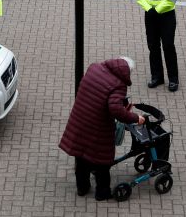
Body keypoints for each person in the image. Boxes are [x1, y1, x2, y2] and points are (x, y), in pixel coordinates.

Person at [59, 57, 145, 200]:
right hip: (98, 127)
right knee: (102, 162)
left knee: (81, 156)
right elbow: (115, 110)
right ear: (127, 71)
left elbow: (99, 94)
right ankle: (102, 193)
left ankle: (82, 188)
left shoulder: (94, 68)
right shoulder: (119, 85)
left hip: (80, 120)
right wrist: (136, 118)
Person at [136, 0, 180, 91]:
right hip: (150, 15)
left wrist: (157, 10)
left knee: (168, 46)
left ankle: (173, 79)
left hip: (166, 16)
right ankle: (157, 77)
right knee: (153, 47)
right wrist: (149, 9)